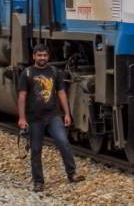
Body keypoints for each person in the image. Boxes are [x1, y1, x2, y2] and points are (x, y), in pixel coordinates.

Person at [18, 44, 85, 192]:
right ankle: (38, 182)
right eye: (39, 55)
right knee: (35, 150)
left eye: (45, 55)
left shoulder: (55, 72)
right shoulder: (27, 73)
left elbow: (61, 93)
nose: (42, 58)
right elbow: (22, 96)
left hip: (53, 116)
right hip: (34, 118)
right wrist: (22, 118)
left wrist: (67, 114)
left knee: (63, 143)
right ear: (34, 56)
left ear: (48, 57)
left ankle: (72, 174)